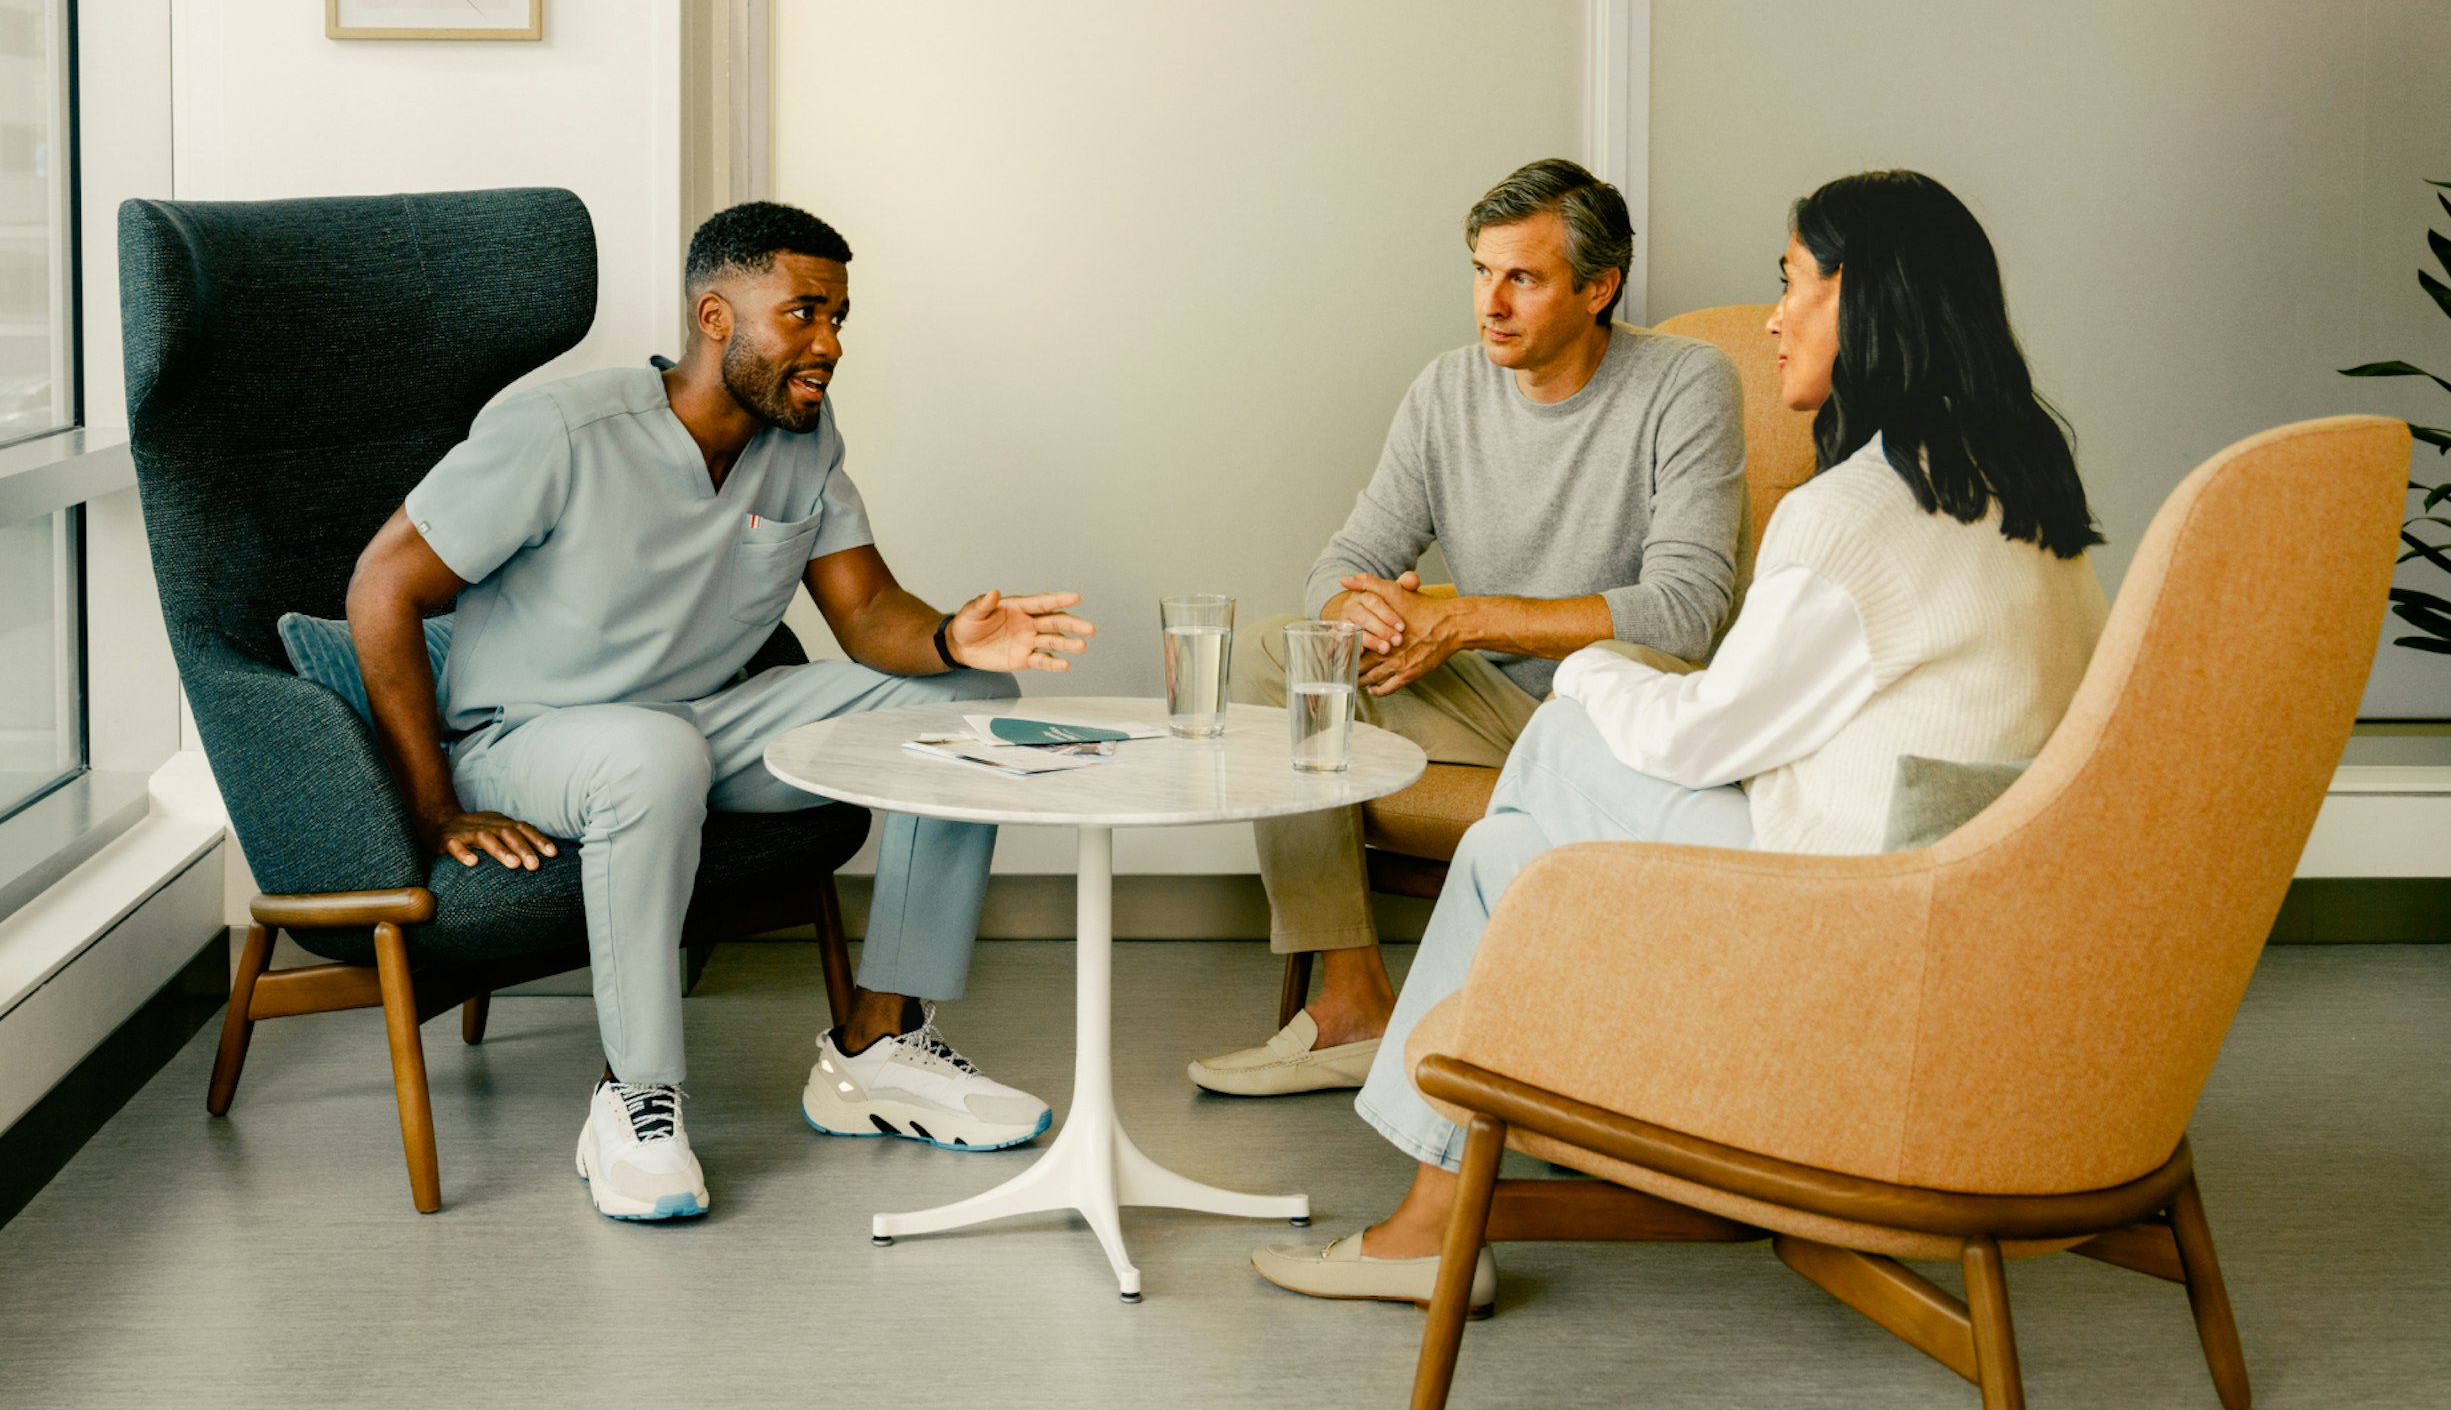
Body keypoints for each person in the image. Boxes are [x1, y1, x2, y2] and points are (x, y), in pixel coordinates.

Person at [1249, 169, 2112, 1310]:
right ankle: (1452, 1182)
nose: (1770, 318)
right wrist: (1377, 610)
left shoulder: (1848, 513)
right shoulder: (2022, 491)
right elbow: (1354, 551)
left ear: (1868, 304)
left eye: (1791, 282)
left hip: (1840, 922)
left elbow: (1706, 721)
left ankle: (1447, 1202)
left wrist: (1581, 670)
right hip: (1956, 910)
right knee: (1503, 848)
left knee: (1537, 798)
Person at [346, 202, 1097, 1223]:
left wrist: (953, 640)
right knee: (650, 756)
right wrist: (433, 805)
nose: (828, 346)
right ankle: (635, 1098)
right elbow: (383, 587)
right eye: (803, 314)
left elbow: (868, 611)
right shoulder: (561, 431)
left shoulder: (802, 436)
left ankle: (877, 1046)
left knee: (966, 701)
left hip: (701, 722)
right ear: (714, 316)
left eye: (838, 318)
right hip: (527, 739)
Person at [1186, 159, 1748, 1096]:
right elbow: (1341, 560)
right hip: (1480, 703)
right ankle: (1353, 1005)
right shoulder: (1446, 391)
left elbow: (1687, 612)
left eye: (1522, 277)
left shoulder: (1687, 384)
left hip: (1609, 717)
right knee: (1278, 651)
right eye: (1482, 271)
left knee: (1349, 658)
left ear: (1598, 287)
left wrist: (1460, 618)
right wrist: (1363, 614)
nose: (1491, 302)